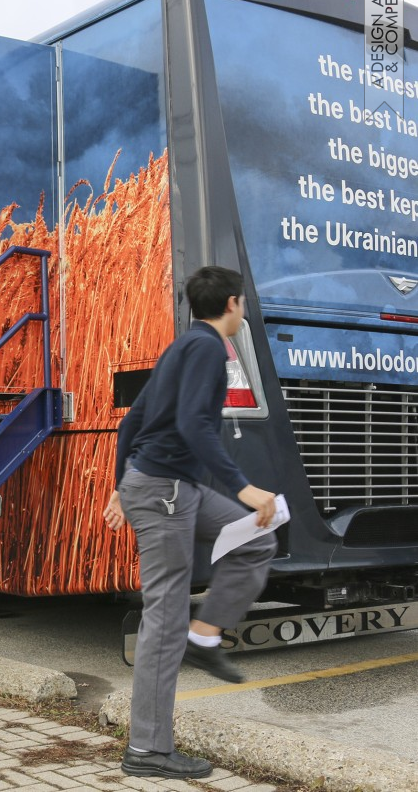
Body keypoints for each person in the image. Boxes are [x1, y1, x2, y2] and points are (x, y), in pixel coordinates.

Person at [103, 265, 277, 780]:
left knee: (254, 538)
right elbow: (193, 425)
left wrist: (119, 485)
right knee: (164, 615)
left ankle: (204, 638)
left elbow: (132, 421)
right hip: (165, 493)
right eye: (242, 302)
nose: (243, 310)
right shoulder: (205, 350)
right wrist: (244, 486)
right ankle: (148, 749)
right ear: (231, 304)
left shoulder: (182, 346)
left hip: (173, 487)